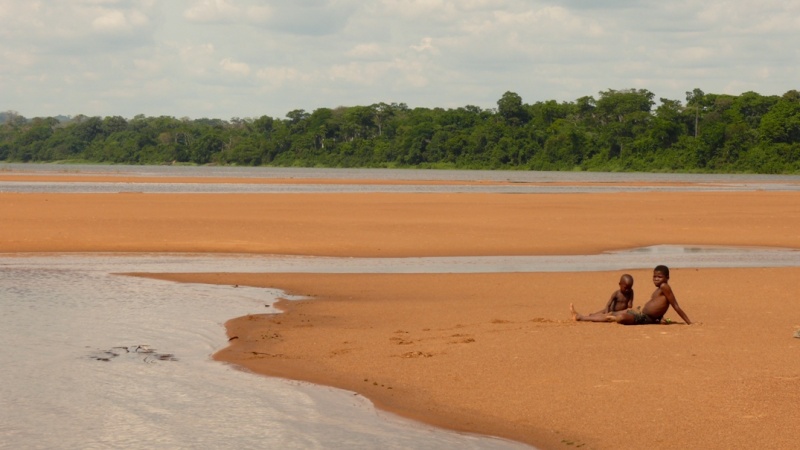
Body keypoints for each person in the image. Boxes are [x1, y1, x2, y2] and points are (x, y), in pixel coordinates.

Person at [614, 265, 692, 325]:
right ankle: (606, 315)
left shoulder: (664, 286)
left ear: (667, 277)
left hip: (645, 318)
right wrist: (660, 317)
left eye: (659, 277)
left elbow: (675, 306)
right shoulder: (659, 289)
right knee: (615, 313)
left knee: (621, 317)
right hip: (641, 313)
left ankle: (609, 317)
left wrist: (689, 322)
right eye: (654, 277)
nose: (656, 279)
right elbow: (661, 306)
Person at [570, 274, 634, 322]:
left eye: (629, 288)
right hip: (611, 309)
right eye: (625, 288)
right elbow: (608, 304)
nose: (627, 290)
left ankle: (581, 317)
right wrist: (607, 312)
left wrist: (629, 303)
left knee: (599, 316)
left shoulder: (631, 292)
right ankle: (581, 316)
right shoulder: (617, 293)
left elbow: (630, 304)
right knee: (599, 314)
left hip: (619, 311)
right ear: (620, 284)